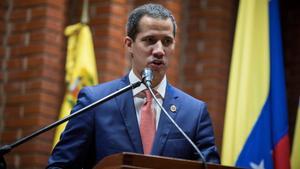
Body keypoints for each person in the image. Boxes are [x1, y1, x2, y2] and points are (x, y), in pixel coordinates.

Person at [47, 3, 220, 168]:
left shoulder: (194, 112)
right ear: (129, 44)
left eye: (167, 41)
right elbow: (60, 165)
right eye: (150, 40)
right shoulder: (95, 102)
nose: (159, 50)